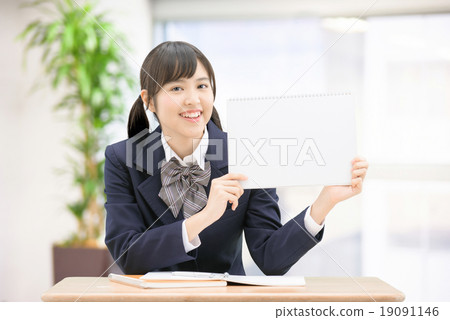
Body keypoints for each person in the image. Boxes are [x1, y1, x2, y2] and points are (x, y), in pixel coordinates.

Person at [104, 41, 368, 275]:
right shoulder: (122, 158)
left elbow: (270, 259)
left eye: (201, 86)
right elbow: (128, 255)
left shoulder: (247, 151)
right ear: (149, 100)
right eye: (176, 88)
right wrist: (205, 216)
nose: (193, 99)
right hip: (152, 308)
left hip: (226, 306)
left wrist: (325, 202)